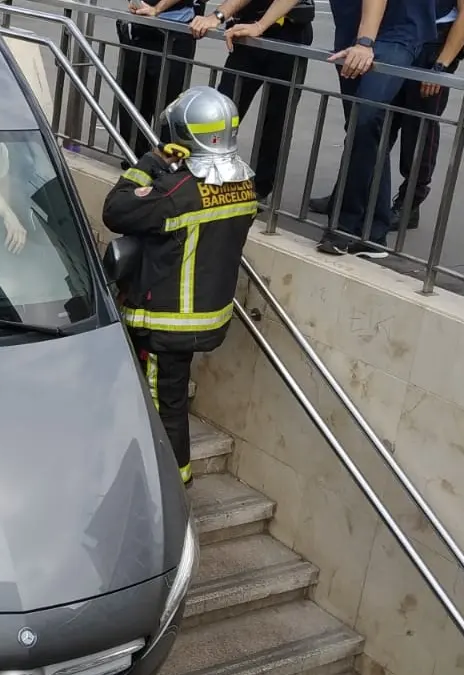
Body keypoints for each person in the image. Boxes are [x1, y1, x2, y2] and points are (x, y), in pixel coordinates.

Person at [102, 86, 257, 486]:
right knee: (169, 401)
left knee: (160, 407)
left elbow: (116, 209)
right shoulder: (245, 186)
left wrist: (151, 160)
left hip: (166, 322)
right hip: (208, 317)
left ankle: (170, 486)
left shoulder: (176, 193)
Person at [309, 0, 464, 230]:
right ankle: (349, 194)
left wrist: (441, 65)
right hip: (392, 32)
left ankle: (408, 203)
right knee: (372, 122)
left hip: (434, 42)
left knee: (418, 128)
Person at [310, 0, 436, 258]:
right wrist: (259, 24)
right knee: (363, 130)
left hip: (395, 34)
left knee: (365, 117)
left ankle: (345, 226)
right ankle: (374, 233)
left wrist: (365, 42)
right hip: (351, 32)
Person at [189, 0, 314, 203]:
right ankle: (205, 177)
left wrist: (217, 16)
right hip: (247, 30)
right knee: (223, 110)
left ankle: (259, 191)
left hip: (288, 32)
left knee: (277, 118)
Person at [115, 0, 205, 159]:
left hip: (174, 30)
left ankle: (165, 161)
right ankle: (135, 158)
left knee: (169, 104)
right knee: (133, 100)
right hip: (140, 27)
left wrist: (157, 9)